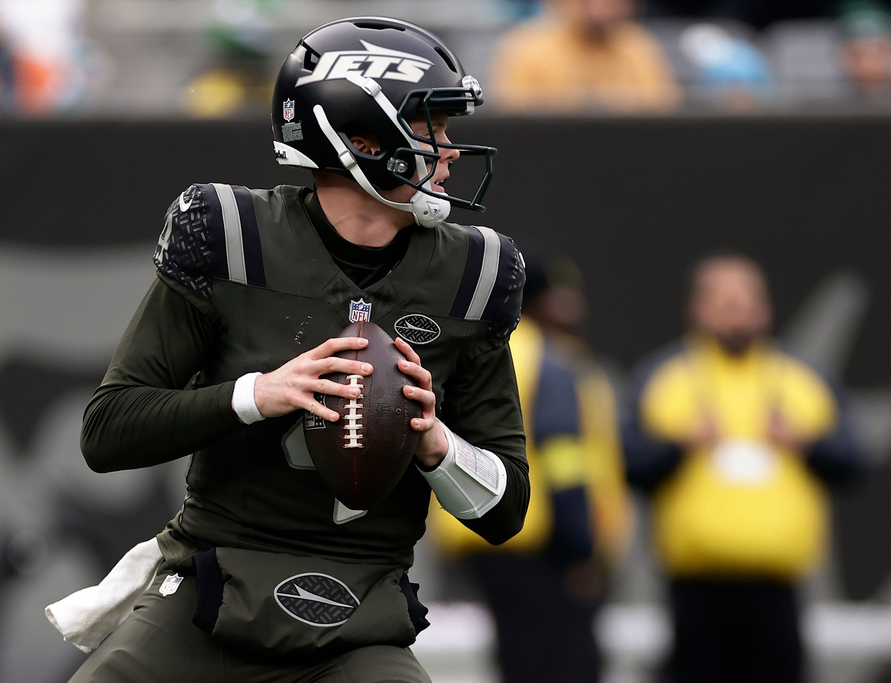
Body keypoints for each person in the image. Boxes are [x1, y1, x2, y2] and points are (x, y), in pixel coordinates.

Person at [45, 16, 530, 683]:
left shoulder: (474, 274)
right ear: (361, 138)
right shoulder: (231, 235)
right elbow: (107, 432)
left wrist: (434, 442)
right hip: (210, 594)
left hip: (360, 620)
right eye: (432, 128)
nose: (450, 151)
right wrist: (257, 395)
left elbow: (508, 510)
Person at [622, 252, 864, 683]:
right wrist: (678, 446)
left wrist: (805, 444)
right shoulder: (664, 377)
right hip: (696, 589)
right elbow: (628, 463)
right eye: (725, 302)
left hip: (779, 589)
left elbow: (853, 461)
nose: (739, 313)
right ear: (697, 307)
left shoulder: (803, 379)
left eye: (748, 300)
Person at [428, 256, 631, 683]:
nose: (573, 307)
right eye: (560, 295)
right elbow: (564, 460)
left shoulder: (474, 346)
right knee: (564, 663)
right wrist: (580, 548)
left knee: (518, 656)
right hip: (541, 541)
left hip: (480, 524)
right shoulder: (549, 358)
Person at [488, 0, 682, 113]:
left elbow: (663, 110)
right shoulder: (526, 47)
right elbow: (514, 119)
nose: (602, 5)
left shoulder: (639, 46)